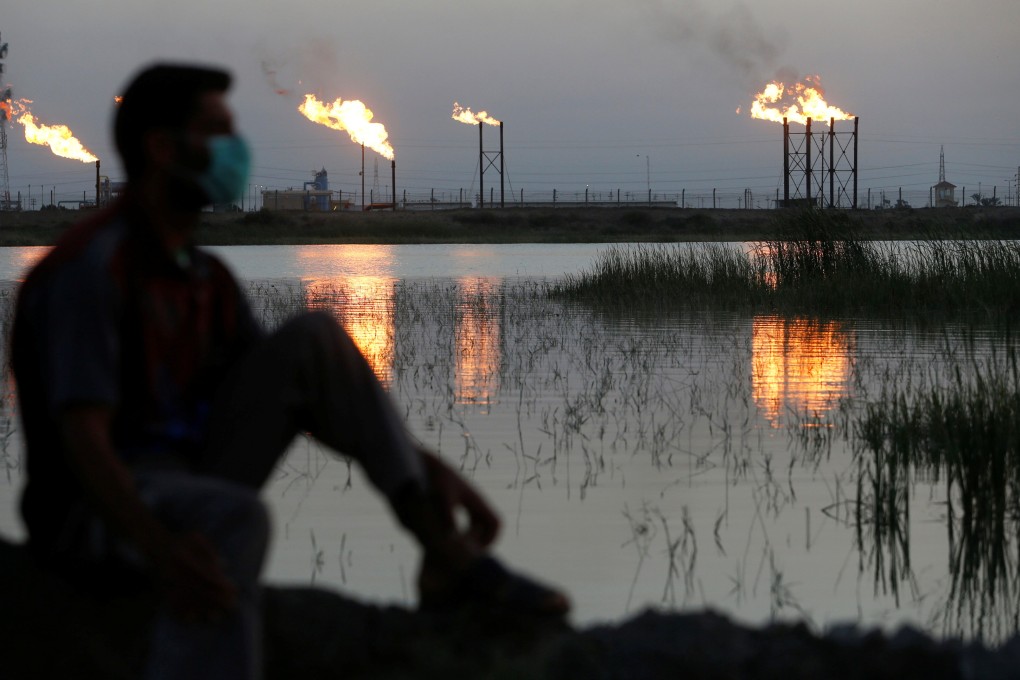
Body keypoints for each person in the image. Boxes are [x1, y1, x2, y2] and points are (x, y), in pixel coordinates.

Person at [11, 62, 568, 680]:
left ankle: (444, 549)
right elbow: (82, 442)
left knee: (315, 338)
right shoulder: (90, 271)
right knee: (235, 516)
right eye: (217, 132)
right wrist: (161, 549)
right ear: (162, 149)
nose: (235, 149)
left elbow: (301, 391)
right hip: (97, 513)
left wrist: (424, 466)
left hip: (190, 477)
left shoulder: (206, 278)